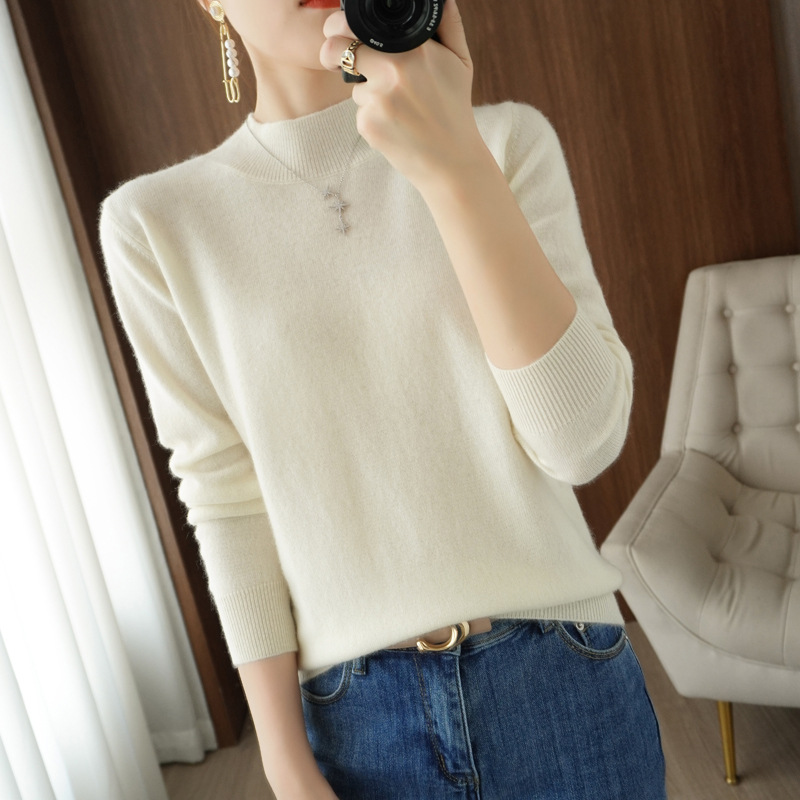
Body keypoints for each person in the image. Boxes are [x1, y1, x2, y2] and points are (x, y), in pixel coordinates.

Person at [97, 0, 667, 797]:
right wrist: (285, 765)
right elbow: (225, 499)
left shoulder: (504, 142)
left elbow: (581, 442)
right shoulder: (156, 224)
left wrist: (456, 166)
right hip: (357, 726)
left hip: (563, 681)